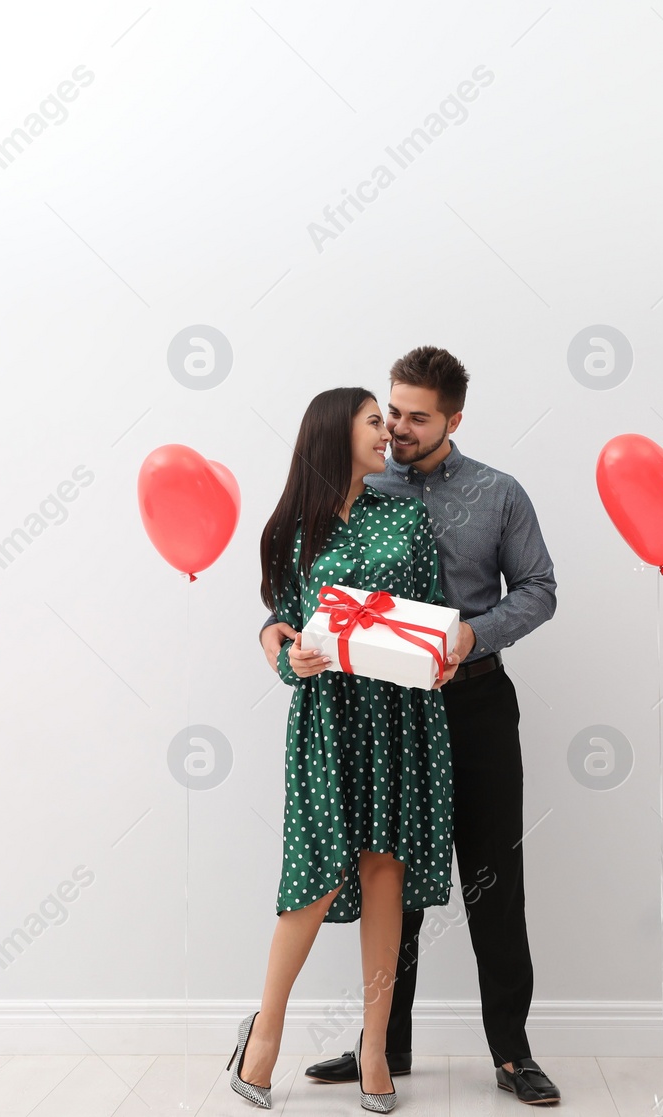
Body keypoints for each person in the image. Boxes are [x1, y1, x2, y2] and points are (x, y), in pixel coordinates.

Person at [261, 348, 562, 1106]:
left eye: (415, 417)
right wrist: (280, 644)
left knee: (492, 877)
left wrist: (474, 634)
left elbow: (540, 590)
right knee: (390, 874)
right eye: (390, 411)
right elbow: (292, 605)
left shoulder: (499, 493)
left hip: (475, 702)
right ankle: (382, 1046)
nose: (397, 428)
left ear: (454, 419)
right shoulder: (359, 486)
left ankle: (511, 1052)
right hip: (382, 714)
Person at [229, 386, 461, 1112]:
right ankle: (263, 1034)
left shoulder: (409, 517)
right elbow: (283, 622)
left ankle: (375, 1046)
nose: (387, 431)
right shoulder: (291, 530)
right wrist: (282, 657)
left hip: (399, 713)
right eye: (373, 421)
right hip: (329, 717)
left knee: (384, 868)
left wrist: (444, 651)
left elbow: (429, 611)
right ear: (336, 433)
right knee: (318, 872)